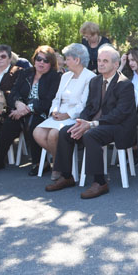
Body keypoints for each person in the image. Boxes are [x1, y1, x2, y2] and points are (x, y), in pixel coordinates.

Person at [46, 44, 137, 198]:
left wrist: (92, 124)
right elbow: (89, 107)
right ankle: (67, 176)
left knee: (91, 135)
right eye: (99, 60)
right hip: (96, 124)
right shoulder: (95, 81)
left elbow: (119, 114)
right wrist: (81, 122)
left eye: (105, 61)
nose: (100, 64)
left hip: (118, 127)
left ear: (116, 64)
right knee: (65, 132)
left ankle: (100, 182)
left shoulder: (124, 84)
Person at [0, 46, 61, 175]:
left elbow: (49, 101)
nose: (41, 63)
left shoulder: (55, 77)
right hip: (20, 110)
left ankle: (40, 163)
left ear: (51, 63)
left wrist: (27, 109)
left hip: (41, 112)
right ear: (34, 60)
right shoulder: (25, 73)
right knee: (9, 123)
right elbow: (13, 93)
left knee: (33, 123)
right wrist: (18, 103)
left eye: (46, 60)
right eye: (39, 59)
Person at [33, 43, 96, 179]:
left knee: (53, 134)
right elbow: (57, 98)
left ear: (77, 60)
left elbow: (84, 104)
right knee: (37, 132)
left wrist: (67, 115)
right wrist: (54, 111)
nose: (65, 62)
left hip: (74, 116)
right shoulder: (65, 76)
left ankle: (58, 166)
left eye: (67, 59)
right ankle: (61, 162)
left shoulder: (90, 77)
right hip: (59, 115)